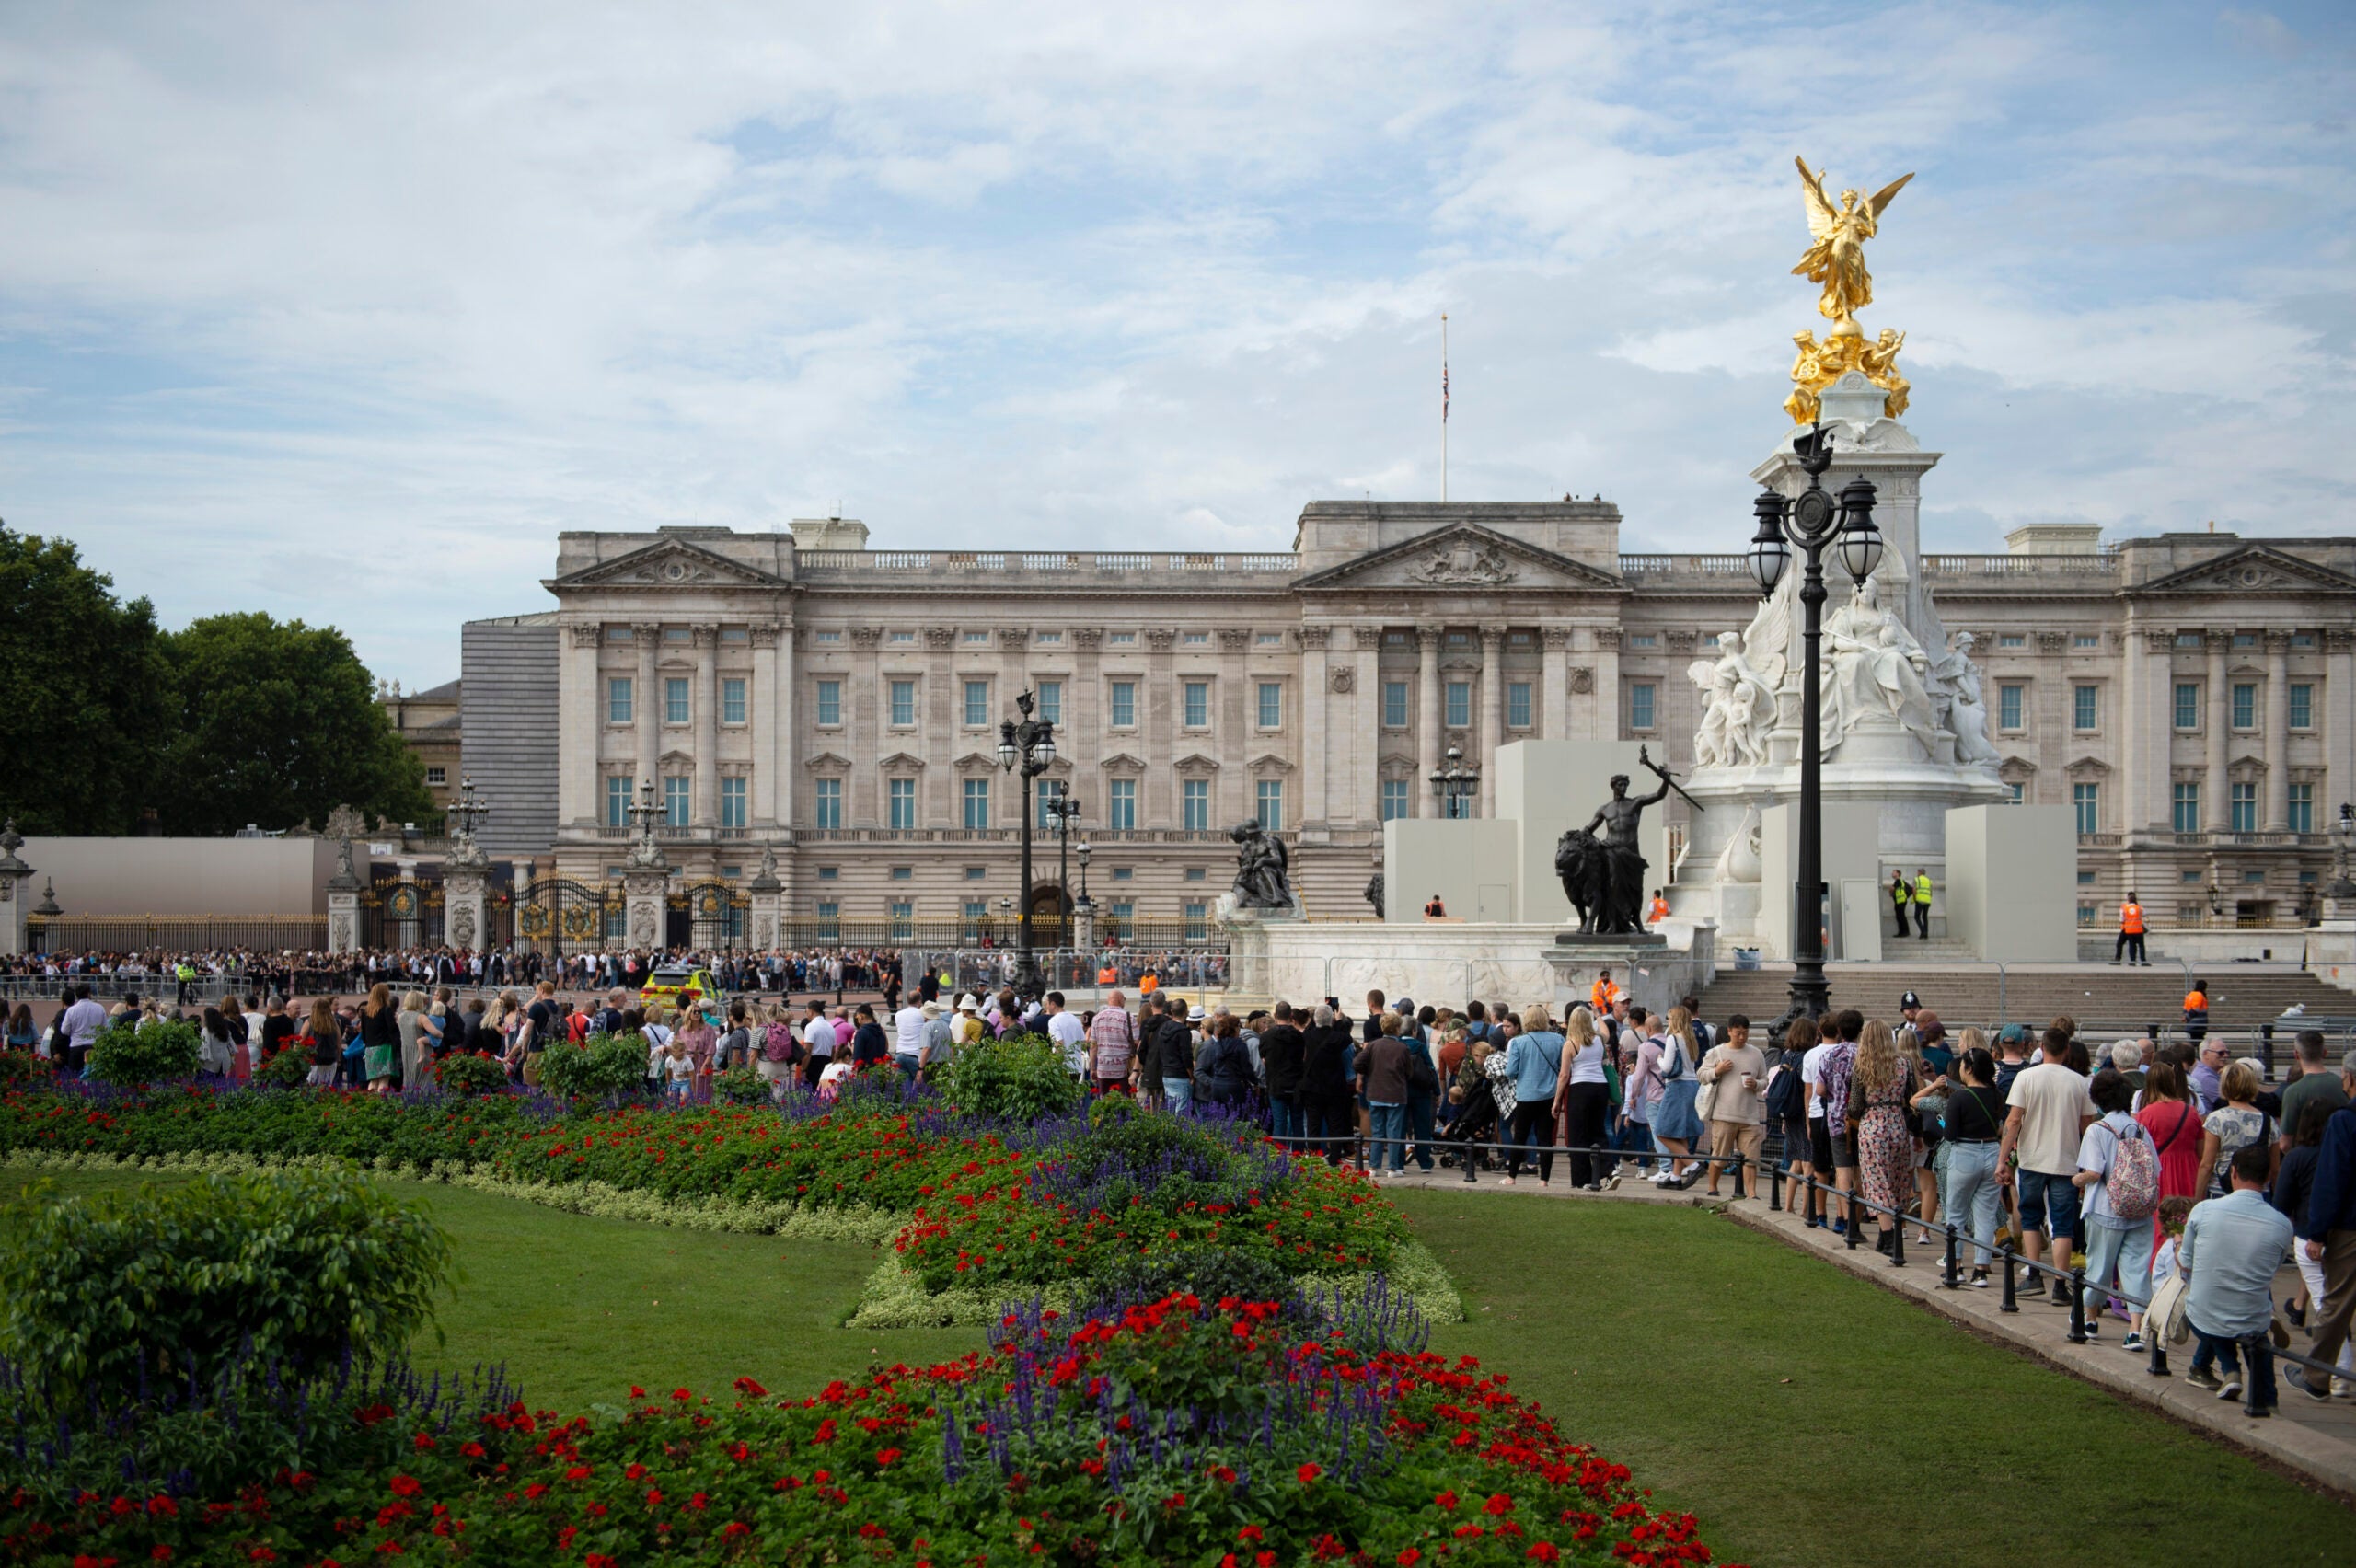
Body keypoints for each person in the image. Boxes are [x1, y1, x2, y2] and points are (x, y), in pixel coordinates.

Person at [2179, 1144, 2293, 1411]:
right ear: (2268, 1177)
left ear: (2233, 1172)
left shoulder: (2203, 1210)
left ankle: (2229, 1369)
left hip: (2205, 1312)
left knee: (2212, 1317)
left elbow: (2185, 1263)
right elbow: (2272, 1269)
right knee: (2254, 1331)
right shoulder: (2282, 1225)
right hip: (2252, 1315)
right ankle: (2266, 1398)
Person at [1999, 1025, 2097, 1307]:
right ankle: (2060, 1284)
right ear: (2066, 1050)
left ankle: (2034, 1276)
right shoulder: (2078, 1082)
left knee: (2031, 1217)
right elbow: (2086, 1125)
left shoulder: (2026, 1077)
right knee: (2063, 1224)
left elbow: (2013, 1121)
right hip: (2066, 1160)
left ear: (2042, 1047)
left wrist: (2003, 1159)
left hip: (2033, 1158)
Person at [2073, 1067, 2157, 1348]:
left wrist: (2076, 1179)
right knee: (2136, 1269)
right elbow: (2154, 1168)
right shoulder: (2140, 1129)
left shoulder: (2097, 1130)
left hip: (2105, 1208)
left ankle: (2090, 1318)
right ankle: (2136, 1328)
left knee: (2099, 1266)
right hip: (2139, 1209)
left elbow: (2094, 1172)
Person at [2288, 1050, 2356, 1401]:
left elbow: (2331, 1180)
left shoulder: (2344, 1120)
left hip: (2349, 1227)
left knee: (2336, 1302)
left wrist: (2317, 1233)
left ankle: (2316, 1376)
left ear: (2349, 1079)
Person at [1848, 1020, 1915, 1258]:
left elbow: (1854, 1105)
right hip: (1897, 1124)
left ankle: (1889, 1239)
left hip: (1872, 1126)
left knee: (1876, 1183)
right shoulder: (1904, 1063)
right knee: (1896, 1182)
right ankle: (1885, 1236)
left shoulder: (1862, 1065)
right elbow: (1911, 1097)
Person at [1941, 1044, 2005, 1286]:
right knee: (1986, 1214)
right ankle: (1980, 1269)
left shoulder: (1959, 1097)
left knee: (1956, 1212)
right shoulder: (1997, 1095)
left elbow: (1949, 1134)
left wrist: (1943, 1122)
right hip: (1991, 1151)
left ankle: (1956, 1265)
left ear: (1968, 1069)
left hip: (1965, 1152)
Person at [1552, 1005, 1617, 1192]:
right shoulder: (1598, 1040)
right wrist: (1597, 1015)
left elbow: (1564, 1075)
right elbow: (1606, 1032)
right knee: (1598, 1132)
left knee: (1577, 1135)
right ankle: (1609, 1170)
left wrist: (1556, 1100)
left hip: (1580, 1088)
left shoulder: (1570, 1044)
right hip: (1600, 1087)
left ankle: (1581, 1179)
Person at [1701, 1013, 1765, 1199]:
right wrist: (1717, 1071)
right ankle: (1712, 1187)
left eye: (1745, 1033)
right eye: (1738, 1033)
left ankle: (1752, 1193)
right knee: (1720, 1155)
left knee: (1751, 1158)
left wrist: (1756, 1084)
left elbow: (1764, 1079)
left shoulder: (1756, 1054)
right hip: (1724, 1114)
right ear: (1729, 1031)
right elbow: (1701, 1075)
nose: (1742, 1037)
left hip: (1749, 1116)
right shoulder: (1717, 1052)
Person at [1499, 1006, 1564, 1186]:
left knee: (1520, 1135)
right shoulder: (1558, 1039)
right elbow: (1562, 1067)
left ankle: (1511, 1176)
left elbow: (1510, 1071)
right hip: (1550, 1094)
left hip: (1526, 1094)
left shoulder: (1519, 1042)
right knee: (1545, 1138)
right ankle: (1544, 1180)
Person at [2194, 1061, 2274, 1199]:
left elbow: (2207, 1165)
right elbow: (2275, 1168)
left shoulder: (2216, 1119)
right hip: (2258, 1192)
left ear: (2224, 1086)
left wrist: (2197, 1199)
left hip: (2221, 1190)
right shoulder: (2268, 1120)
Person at [1648, 1007, 1706, 1189]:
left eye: (1669, 1018)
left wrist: (1659, 1059)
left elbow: (1666, 1067)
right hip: (1692, 1085)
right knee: (1681, 1134)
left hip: (1677, 1086)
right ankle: (1675, 1176)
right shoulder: (1690, 1038)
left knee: (1661, 1131)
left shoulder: (1673, 1038)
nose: (1667, 1021)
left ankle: (1693, 1165)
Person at [2279, 1031, 2350, 1153]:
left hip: (2306, 1158)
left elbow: (2285, 1144)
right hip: (2340, 1155)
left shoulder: (2293, 1092)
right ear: (2324, 1053)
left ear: (2296, 1055)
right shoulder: (2343, 1085)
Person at [1357, 1014, 1410, 1178]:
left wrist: (1368, 1072)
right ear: (1397, 1028)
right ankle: (1393, 1168)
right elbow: (1409, 1072)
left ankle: (1374, 1167)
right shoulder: (1402, 1048)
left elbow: (1357, 1062)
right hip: (1395, 1093)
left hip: (1375, 1092)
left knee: (1377, 1131)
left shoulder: (1373, 1045)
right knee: (1394, 1131)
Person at [1087, 990, 1136, 1095]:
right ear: (1120, 1000)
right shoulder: (1129, 1018)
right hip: (1123, 1068)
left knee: (1104, 1100)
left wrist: (1093, 1069)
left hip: (1103, 1068)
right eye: (1124, 999)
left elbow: (1093, 1046)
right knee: (1124, 1100)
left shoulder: (1097, 1018)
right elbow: (1137, 1042)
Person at [358, 983, 400, 1093]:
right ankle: (381, 1101)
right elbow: (392, 1029)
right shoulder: (386, 1010)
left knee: (373, 1081)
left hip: (370, 1049)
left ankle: (370, 1101)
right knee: (384, 1080)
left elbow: (363, 1033)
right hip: (384, 1048)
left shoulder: (365, 1012)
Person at [1042, 992, 1087, 1081]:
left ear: (1053, 1004)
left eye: (1047, 1003)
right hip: (1077, 1067)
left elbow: (1059, 1044)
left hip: (1063, 1068)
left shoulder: (1054, 1021)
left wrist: (1055, 1066)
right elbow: (1083, 1044)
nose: (1046, 1006)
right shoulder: (1075, 1020)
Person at [2114, 891, 2148, 965]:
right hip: (2138, 930)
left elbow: (2121, 920)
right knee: (2140, 945)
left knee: (2131, 945)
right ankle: (2143, 961)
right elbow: (2145, 914)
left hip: (2128, 929)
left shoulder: (2124, 907)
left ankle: (2131, 961)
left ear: (2128, 899)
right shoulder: (2139, 907)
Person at [2182, 979, 2211, 1046]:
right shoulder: (2200, 995)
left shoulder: (2190, 995)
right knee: (2199, 1042)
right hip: (2199, 1023)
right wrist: (2187, 1017)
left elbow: (2185, 1007)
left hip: (2191, 1023)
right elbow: (2196, 1009)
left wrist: (2185, 1017)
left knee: (2194, 1040)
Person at [1911, 867, 1934, 939]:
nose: (1917, 873)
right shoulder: (1929, 880)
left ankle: (1923, 931)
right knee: (1924, 917)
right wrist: (1929, 899)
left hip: (1919, 900)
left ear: (1920, 872)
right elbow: (1931, 892)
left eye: (1918, 872)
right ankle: (1925, 934)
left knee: (1917, 917)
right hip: (1927, 901)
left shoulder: (1916, 879)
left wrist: (1914, 898)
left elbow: (1914, 890)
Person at [1889, 870, 1911, 940]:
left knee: (1901, 917)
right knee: (1900, 916)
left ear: (1898, 874)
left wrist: (1890, 892)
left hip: (1900, 901)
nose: (1892, 873)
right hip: (1901, 901)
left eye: (1894, 872)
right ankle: (1902, 932)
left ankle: (1904, 932)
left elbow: (1892, 889)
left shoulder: (1898, 880)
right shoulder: (1900, 881)